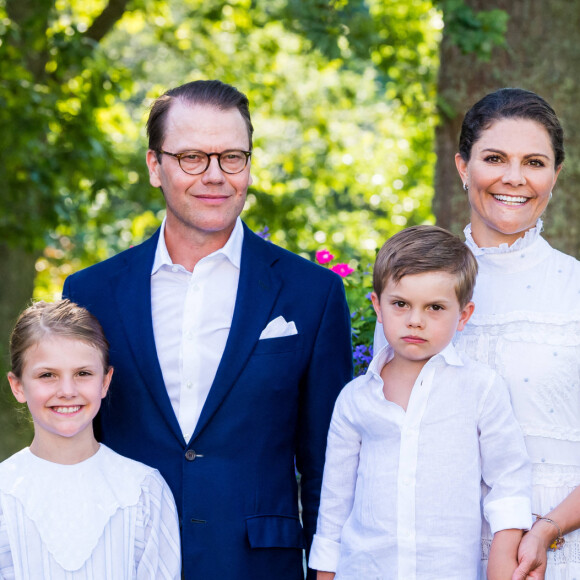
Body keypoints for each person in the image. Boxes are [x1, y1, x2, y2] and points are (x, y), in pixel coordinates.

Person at [63, 79, 353, 579]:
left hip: (258, 565)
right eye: (193, 157)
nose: (215, 176)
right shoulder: (91, 293)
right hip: (121, 559)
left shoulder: (313, 294)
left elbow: (329, 462)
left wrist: (327, 571)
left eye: (232, 158)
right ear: (155, 166)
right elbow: (73, 440)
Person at [310, 225, 532, 580]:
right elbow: (336, 502)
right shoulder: (354, 400)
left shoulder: (480, 388)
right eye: (400, 304)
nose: (415, 320)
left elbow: (509, 481)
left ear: (463, 315)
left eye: (435, 308)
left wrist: (502, 567)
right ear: (377, 306)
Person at [453, 88, 580, 580]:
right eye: (494, 158)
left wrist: (546, 530)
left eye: (534, 161)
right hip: (442, 551)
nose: (514, 177)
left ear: (555, 175)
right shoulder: (415, 292)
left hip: (557, 552)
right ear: (463, 167)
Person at [0, 299, 181, 579]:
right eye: (47, 375)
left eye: (83, 373)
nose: (67, 390)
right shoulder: (4, 491)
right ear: (18, 386)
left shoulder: (143, 490)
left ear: (105, 382)